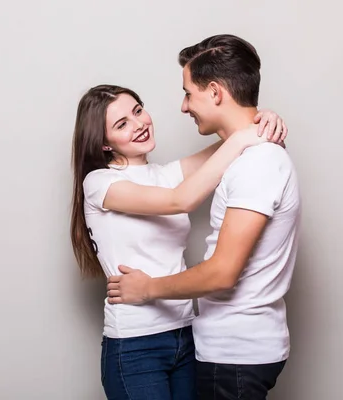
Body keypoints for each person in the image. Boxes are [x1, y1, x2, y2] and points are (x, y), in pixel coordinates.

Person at [106, 34, 301, 400]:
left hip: (236, 354)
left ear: (214, 92)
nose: (183, 107)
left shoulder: (257, 163)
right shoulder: (247, 156)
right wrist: (256, 126)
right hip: (225, 348)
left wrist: (148, 288)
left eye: (188, 92)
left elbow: (223, 272)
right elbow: (189, 187)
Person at [70, 83, 287, 399]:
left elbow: (231, 144)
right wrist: (243, 136)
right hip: (135, 344)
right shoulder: (100, 183)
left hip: (186, 335)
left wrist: (261, 121)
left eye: (138, 110)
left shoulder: (166, 173)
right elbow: (178, 201)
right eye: (122, 124)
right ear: (104, 143)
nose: (139, 124)